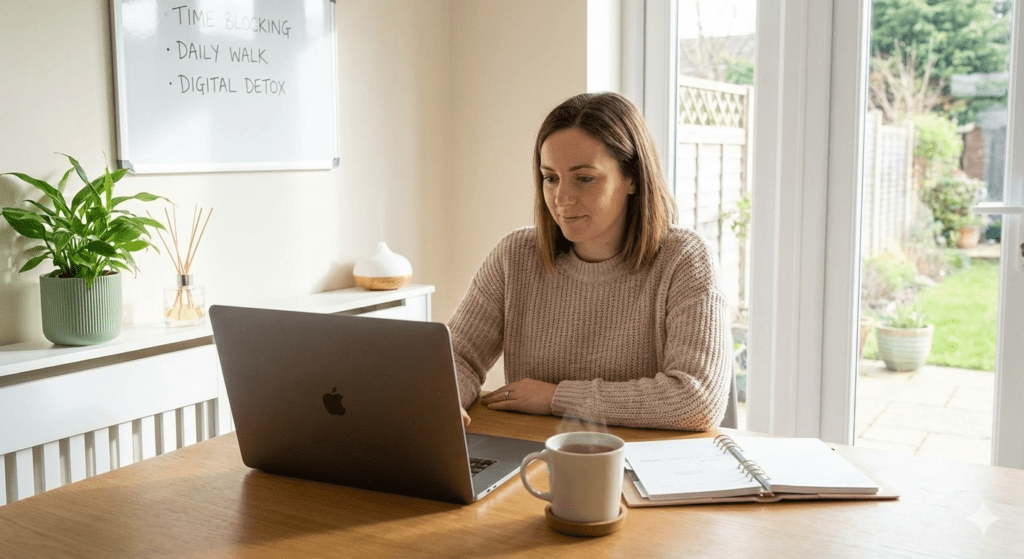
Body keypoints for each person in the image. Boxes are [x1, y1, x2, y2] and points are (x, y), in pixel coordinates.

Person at [450, 92, 731, 431]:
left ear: (632, 178)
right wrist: (442, 397)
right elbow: (457, 357)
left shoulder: (684, 259)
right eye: (550, 177)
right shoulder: (515, 256)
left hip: (644, 465)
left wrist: (557, 397)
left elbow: (697, 400)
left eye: (584, 178)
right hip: (533, 455)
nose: (561, 198)